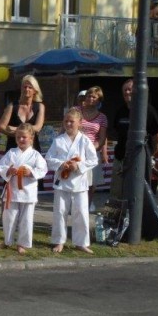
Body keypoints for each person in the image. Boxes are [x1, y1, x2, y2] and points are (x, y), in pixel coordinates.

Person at [46, 108, 98, 254]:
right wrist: (61, 164)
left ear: (80, 123)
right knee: (60, 212)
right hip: (62, 182)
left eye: (72, 121)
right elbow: (48, 159)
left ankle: (81, 242)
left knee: (81, 213)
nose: (68, 124)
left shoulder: (85, 140)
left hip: (79, 182)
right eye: (66, 121)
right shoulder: (58, 140)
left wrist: (79, 166)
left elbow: (93, 159)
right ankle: (59, 241)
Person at [0, 123, 48, 254]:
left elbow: (43, 169)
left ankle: (22, 243)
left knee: (26, 219)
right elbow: (1, 166)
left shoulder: (35, 155)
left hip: (28, 191)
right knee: (9, 217)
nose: (21, 139)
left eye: (24, 137)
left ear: (31, 138)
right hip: (12, 190)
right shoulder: (11, 153)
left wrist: (31, 173)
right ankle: (7, 241)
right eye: (18, 137)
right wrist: (9, 171)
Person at [110, 78, 158, 198]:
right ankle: (118, 210)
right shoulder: (120, 111)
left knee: (138, 194)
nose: (127, 92)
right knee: (117, 193)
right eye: (124, 90)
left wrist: (149, 155)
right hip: (121, 159)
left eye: (130, 89)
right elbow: (117, 132)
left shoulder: (148, 111)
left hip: (140, 160)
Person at [75, 85, 109, 211]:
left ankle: (86, 208)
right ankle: (74, 207)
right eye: (89, 96)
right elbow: (66, 127)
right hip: (75, 151)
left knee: (90, 184)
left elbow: (102, 138)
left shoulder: (102, 117)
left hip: (92, 152)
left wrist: (91, 149)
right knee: (75, 181)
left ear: (99, 100)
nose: (91, 99)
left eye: (94, 97)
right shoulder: (76, 110)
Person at [0, 74, 46, 151]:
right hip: (13, 147)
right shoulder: (12, 106)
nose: (27, 89)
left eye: (30, 87)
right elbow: (1, 126)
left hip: (33, 148)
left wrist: (16, 129)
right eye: (25, 87)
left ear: (35, 90)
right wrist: (14, 135)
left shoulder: (40, 106)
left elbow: (38, 127)